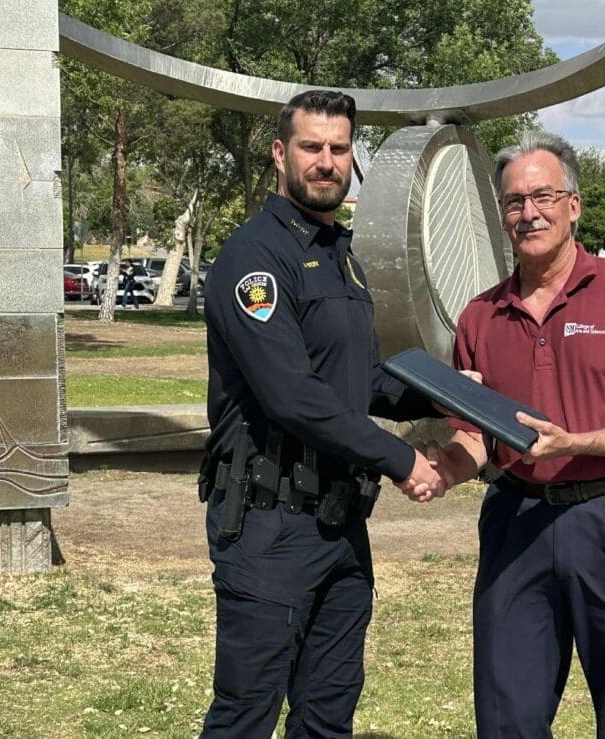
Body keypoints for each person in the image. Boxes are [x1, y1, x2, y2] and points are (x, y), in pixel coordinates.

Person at [426, 131, 605, 738]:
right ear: (502, 218)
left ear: (573, 205)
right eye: (515, 203)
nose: (530, 213)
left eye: (543, 196)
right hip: (516, 522)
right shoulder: (479, 316)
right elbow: (476, 437)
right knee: (507, 711)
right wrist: (442, 467)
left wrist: (575, 442)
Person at [198, 90, 445, 738]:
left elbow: (358, 380)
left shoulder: (343, 257)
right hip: (269, 527)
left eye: (339, 148)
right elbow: (292, 395)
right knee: (245, 717)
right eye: (312, 146)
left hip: (341, 527)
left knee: (328, 716)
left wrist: (446, 391)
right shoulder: (255, 259)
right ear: (282, 154)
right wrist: (401, 458)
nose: (327, 161)